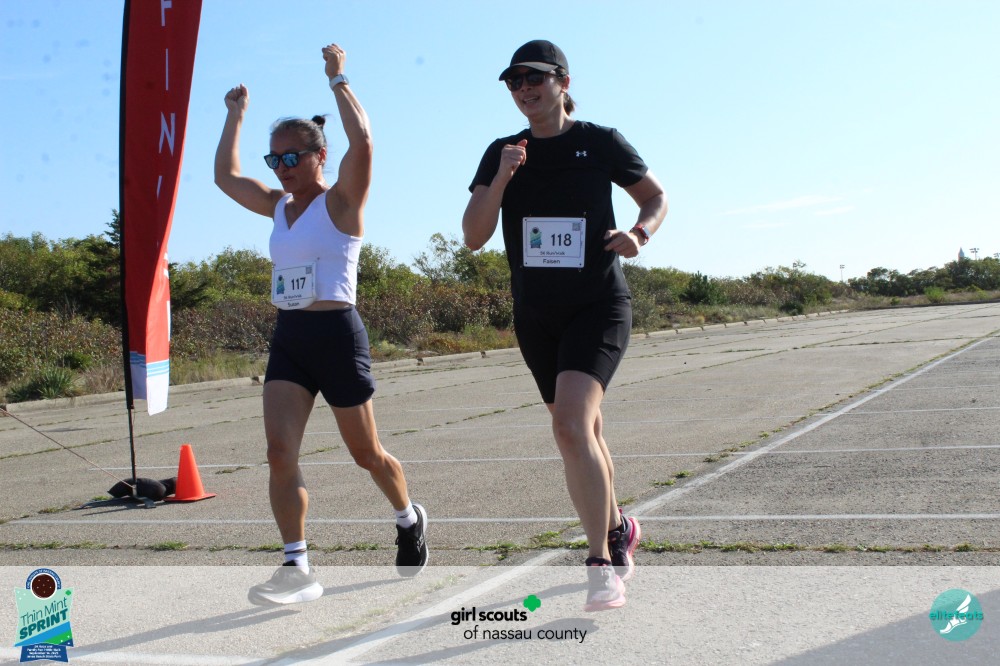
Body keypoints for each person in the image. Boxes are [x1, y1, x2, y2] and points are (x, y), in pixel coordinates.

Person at [215, 43, 428, 605]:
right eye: (274, 160)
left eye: (292, 157)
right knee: (279, 452)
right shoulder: (276, 206)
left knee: (366, 454)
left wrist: (339, 79)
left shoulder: (341, 203)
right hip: (290, 339)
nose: (283, 167)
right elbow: (225, 177)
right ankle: (297, 568)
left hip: (337, 336)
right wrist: (235, 116)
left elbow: (365, 143)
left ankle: (408, 517)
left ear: (319, 156)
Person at [463, 40, 668, 611]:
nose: (524, 88)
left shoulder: (600, 142)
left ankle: (600, 565)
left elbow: (655, 197)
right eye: (514, 81)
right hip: (536, 314)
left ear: (563, 81)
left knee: (571, 427)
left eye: (535, 77)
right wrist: (502, 178)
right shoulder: (502, 152)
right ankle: (620, 527)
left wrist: (639, 234)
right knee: (585, 432)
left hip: (597, 304)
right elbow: (474, 235)